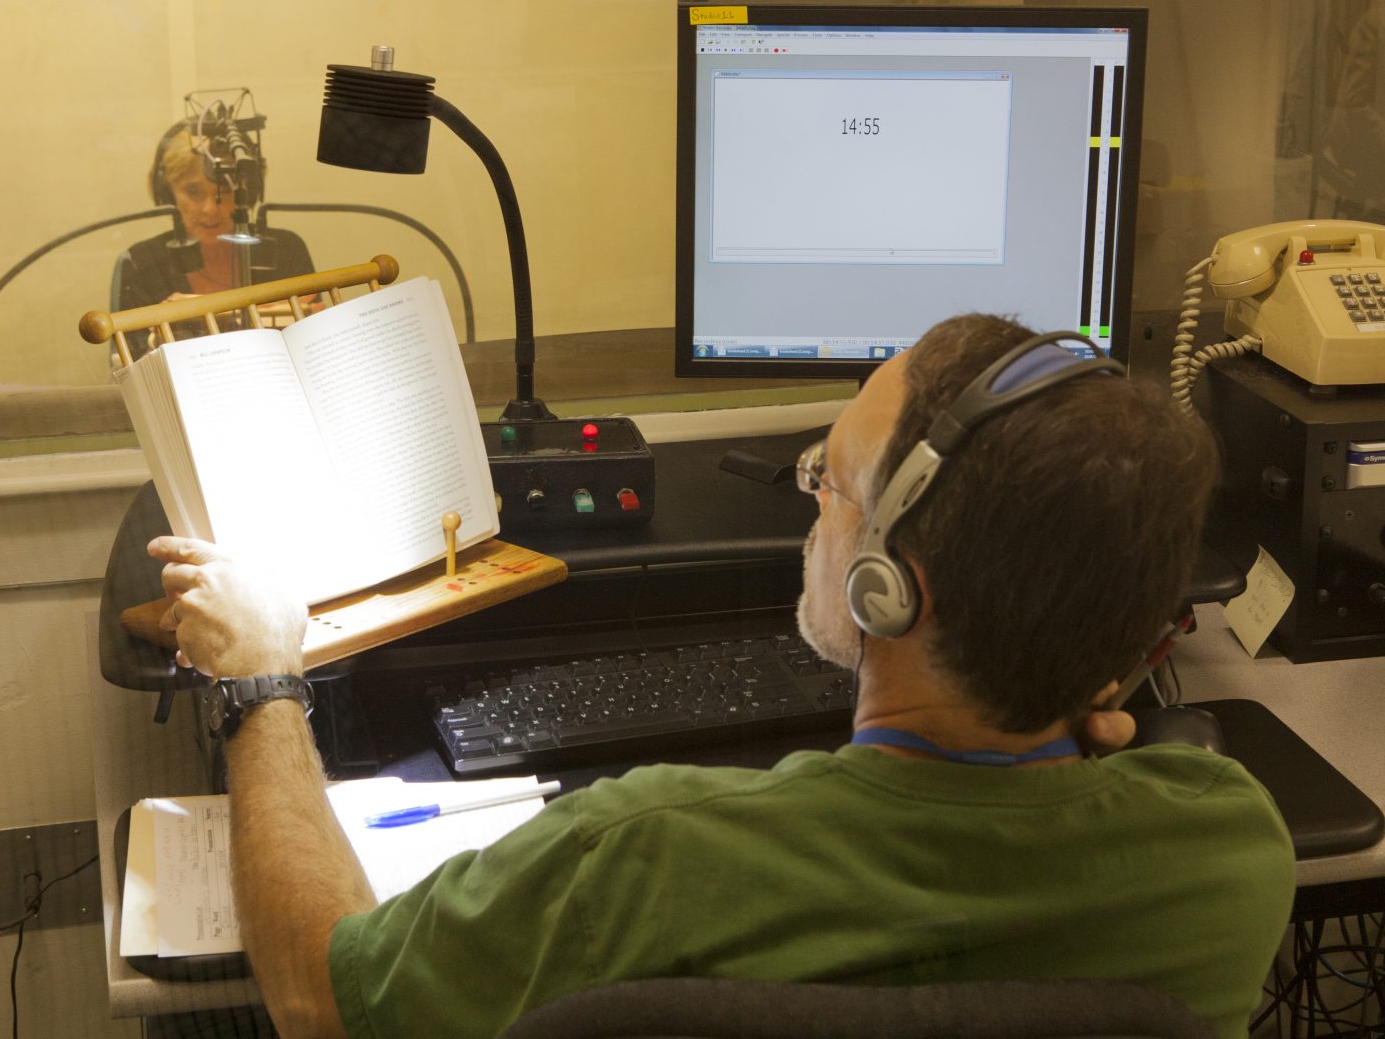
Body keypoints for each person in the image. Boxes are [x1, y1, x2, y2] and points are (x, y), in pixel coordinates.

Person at [150, 312, 1296, 1039]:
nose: (812, 506)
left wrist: (264, 676)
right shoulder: (1224, 853)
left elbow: (316, 996)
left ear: (893, 586)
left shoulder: (642, 854)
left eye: (831, 483)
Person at [115, 120, 317, 319]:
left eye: (226, 190)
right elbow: (133, 350)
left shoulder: (286, 250)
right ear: (168, 194)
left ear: (248, 191)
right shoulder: (141, 263)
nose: (210, 209)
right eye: (193, 191)